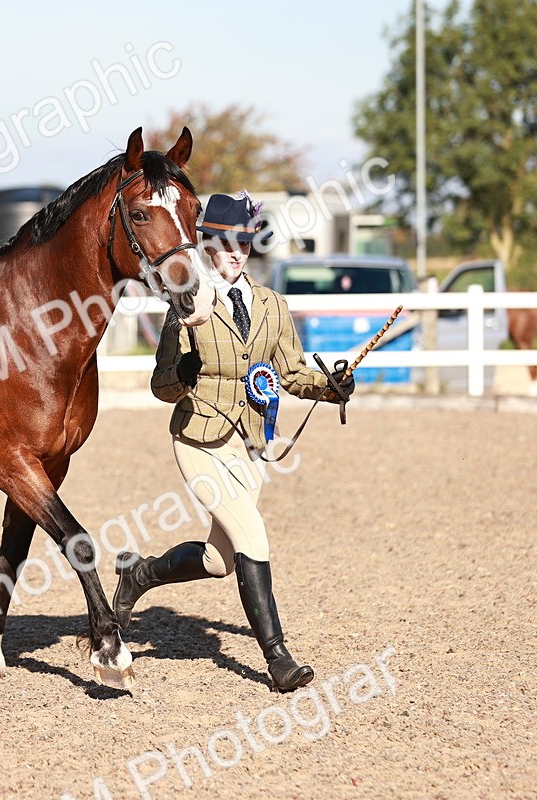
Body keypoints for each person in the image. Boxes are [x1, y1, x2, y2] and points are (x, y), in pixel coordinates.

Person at [113, 191, 354, 692]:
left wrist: (330, 388)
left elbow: (288, 373)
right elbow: (161, 386)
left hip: (248, 447)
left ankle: (140, 575)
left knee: (220, 561)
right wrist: (182, 371)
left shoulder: (271, 305)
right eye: (225, 244)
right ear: (206, 245)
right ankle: (278, 659)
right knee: (253, 536)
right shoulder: (186, 306)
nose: (236, 253)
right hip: (198, 440)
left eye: (244, 244)